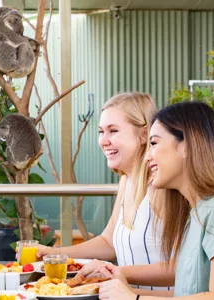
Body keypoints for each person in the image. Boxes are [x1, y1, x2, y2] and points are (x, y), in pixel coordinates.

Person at [97, 101, 214, 299]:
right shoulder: (198, 212)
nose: (147, 156)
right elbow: (188, 292)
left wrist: (134, 298)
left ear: (187, 146)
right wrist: (124, 290)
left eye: (154, 144)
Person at [35, 92, 172, 294]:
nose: (103, 141)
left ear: (144, 134)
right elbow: (109, 242)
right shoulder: (127, 180)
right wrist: (58, 253)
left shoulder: (161, 187)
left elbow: (183, 266)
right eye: (101, 131)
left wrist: (115, 271)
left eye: (113, 130)